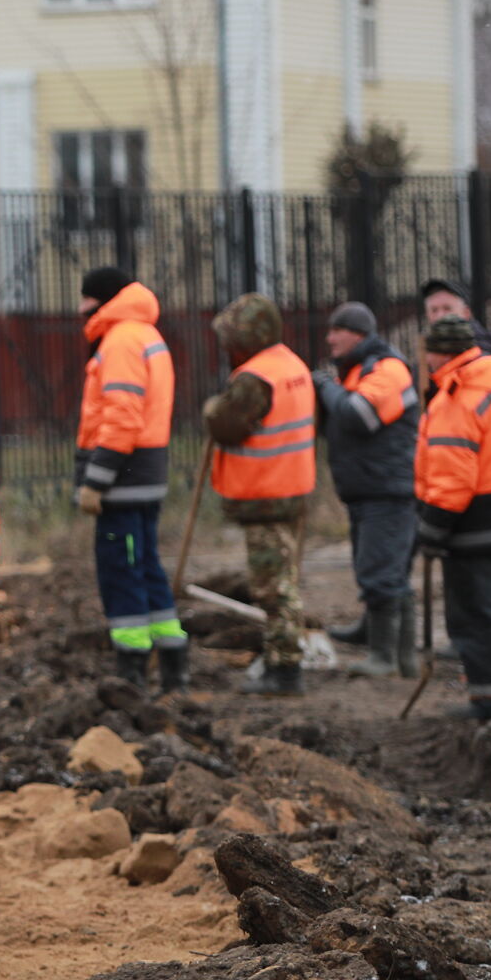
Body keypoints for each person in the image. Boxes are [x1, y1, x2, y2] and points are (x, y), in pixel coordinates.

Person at [415, 316, 491, 721]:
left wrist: (432, 528)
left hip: (476, 523)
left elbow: (453, 479)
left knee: (475, 614)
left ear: (438, 352)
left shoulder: (459, 395)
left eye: (427, 351)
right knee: (483, 610)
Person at [71, 267, 184, 692]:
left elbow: (122, 416)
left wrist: (96, 481)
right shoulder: (146, 335)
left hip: (124, 479)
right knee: (147, 564)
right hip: (145, 475)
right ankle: (173, 660)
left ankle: (132, 667)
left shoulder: (119, 340)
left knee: (121, 569)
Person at [201, 294, 316, 696]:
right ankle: (282, 660)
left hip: (266, 494)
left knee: (273, 586)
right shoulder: (291, 365)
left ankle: (284, 669)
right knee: (283, 578)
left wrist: (212, 408)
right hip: (290, 490)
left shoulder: (255, 378)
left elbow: (226, 424)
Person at [312, 303, 421, 677]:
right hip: (368, 489)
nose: (329, 339)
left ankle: (385, 657)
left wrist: (326, 387)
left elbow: (357, 416)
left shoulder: (387, 369)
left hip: (388, 490)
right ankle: (400, 656)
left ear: (357, 333)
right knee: (378, 569)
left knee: (382, 572)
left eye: (336, 331)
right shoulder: (358, 371)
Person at [420, 278, 491, 359]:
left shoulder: (483, 348)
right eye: (434, 310)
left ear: (466, 313)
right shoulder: (426, 347)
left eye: (447, 308)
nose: (440, 316)